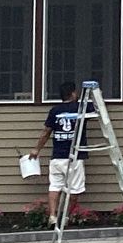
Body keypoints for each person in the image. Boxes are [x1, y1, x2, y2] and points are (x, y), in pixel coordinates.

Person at [32, 81, 88, 221]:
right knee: (74, 190)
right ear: (74, 93)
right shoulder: (81, 108)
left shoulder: (55, 111)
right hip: (74, 156)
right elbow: (100, 107)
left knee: (55, 186)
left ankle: (52, 216)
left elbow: (46, 132)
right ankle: (66, 216)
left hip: (57, 157)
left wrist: (36, 150)